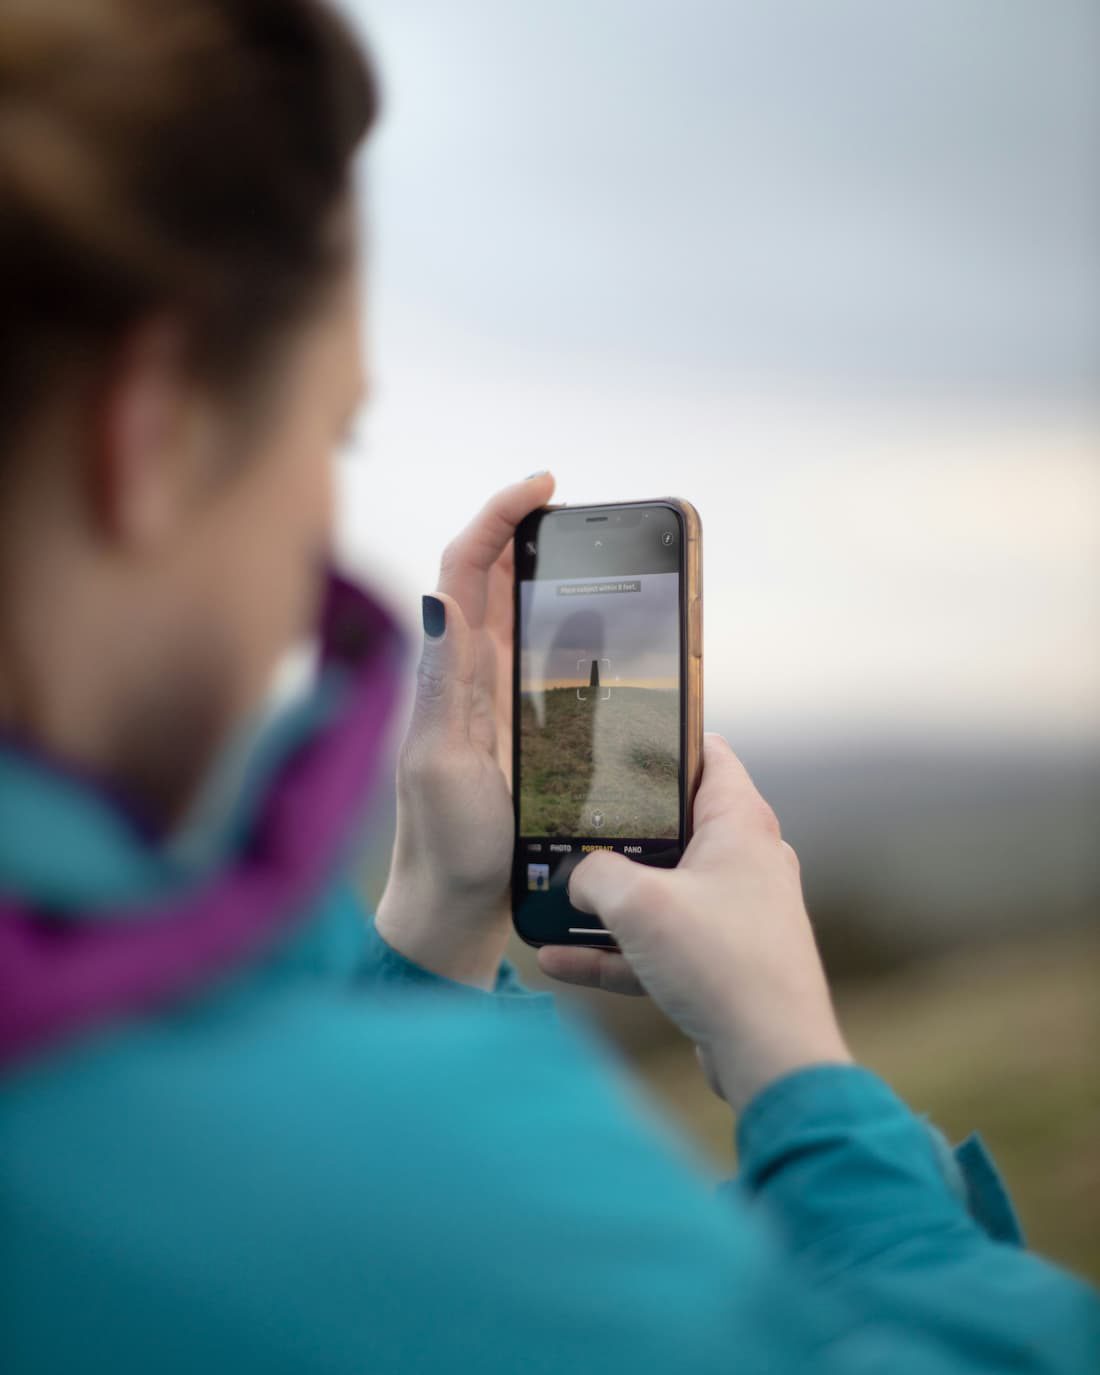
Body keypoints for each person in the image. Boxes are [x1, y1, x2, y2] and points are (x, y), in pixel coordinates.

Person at [0, 3, 1096, 1372]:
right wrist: (801, 1074)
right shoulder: (456, 1190)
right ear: (152, 434)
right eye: (329, 430)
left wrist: (435, 925)